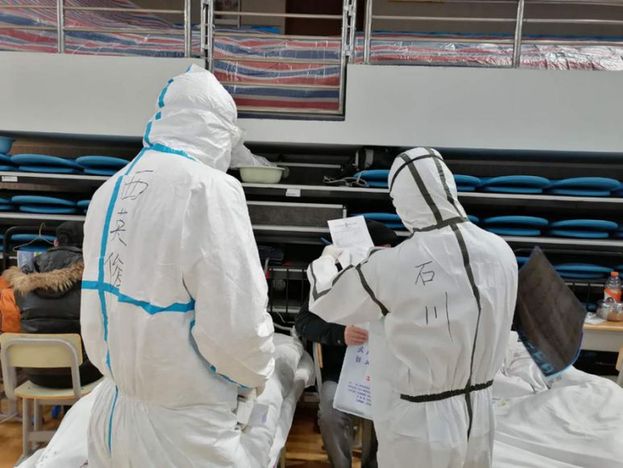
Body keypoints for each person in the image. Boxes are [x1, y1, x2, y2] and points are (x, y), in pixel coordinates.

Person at [81, 65, 275, 467]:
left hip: (113, 414)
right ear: (219, 131)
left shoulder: (109, 189)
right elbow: (236, 322)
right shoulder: (209, 188)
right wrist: (256, 374)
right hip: (184, 428)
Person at [307, 147, 518, 468]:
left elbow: (327, 300)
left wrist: (325, 262)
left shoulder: (395, 264)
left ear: (403, 199)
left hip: (421, 422)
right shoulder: (501, 251)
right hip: (480, 413)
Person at [296, 219, 397, 468]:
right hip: (340, 371)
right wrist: (341, 334)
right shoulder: (334, 280)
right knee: (330, 414)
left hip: (386, 372)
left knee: (386, 415)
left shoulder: (398, 280)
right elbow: (304, 322)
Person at [2, 222, 102, 387]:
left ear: (55, 242)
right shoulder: (93, 272)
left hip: (35, 372)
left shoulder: (24, 275)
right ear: (86, 243)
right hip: (82, 373)